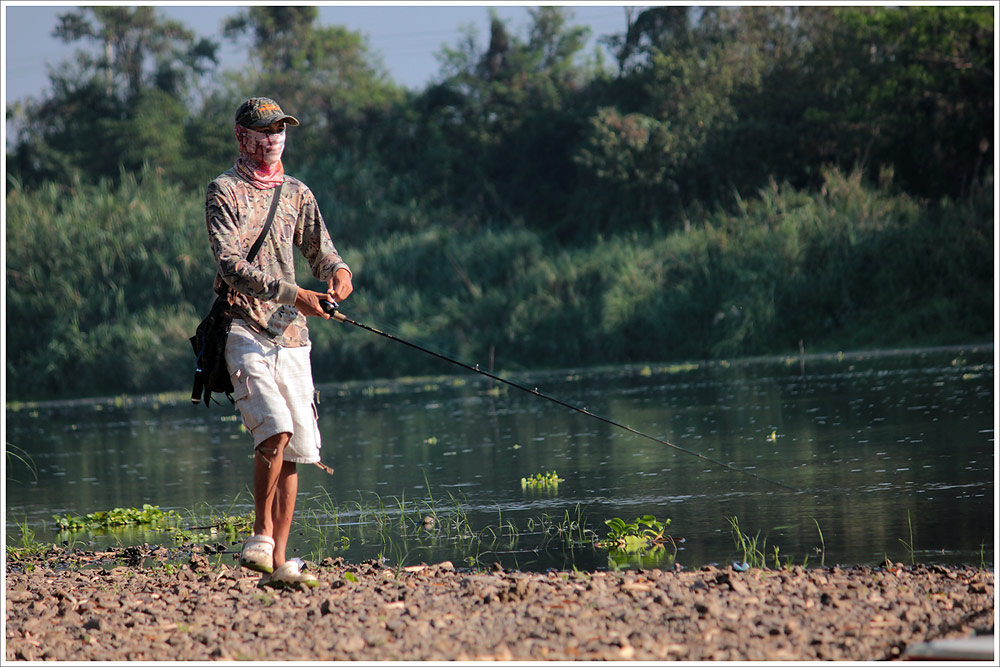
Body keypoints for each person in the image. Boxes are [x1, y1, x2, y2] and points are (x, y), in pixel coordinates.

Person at [205, 96, 353, 588]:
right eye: (264, 131)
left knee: (298, 449)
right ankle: (260, 534)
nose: (273, 139)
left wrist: (338, 275)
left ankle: (278, 562)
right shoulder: (222, 191)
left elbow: (321, 250)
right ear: (242, 136)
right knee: (274, 430)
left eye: (281, 130)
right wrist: (296, 293)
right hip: (243, 325)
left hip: (292, 336)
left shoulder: (296, 192)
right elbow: (230, 265)